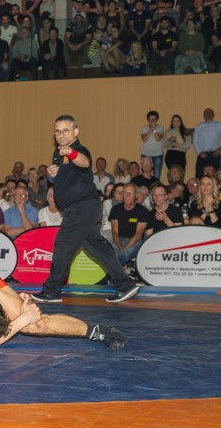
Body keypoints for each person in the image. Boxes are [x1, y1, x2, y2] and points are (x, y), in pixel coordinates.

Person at [33, 115, 141, 303]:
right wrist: (51, 176)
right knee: (99, 248)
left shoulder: (79, 149)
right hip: (81, 209)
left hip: (82, 207)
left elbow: (84, 162)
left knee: (62, 245)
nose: (61, 134)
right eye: (57, 131)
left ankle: (52, 290)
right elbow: (65, 179)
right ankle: (126, 285)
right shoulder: (57, 153)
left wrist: (71, 153)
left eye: (65, 130)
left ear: (75, 131)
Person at [108, 183, 149, 266]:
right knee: (110, 254)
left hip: (135, 242)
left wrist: (124, 249)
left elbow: (138, 234)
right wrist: (120, 247)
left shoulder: (143, 211)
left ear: (136, 195)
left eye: (131, 193)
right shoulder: (116, 209)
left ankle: (116, 276)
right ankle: (119, 274)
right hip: (118, 240)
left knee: (123, 254)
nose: (128, 195)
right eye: (125, 193)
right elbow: (114, 232)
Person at [192, 108, 221, 179]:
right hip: (202, 154)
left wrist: (220, 149)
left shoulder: (218, 125)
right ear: (203, 115)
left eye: (210, 112)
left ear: (213, 115)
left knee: (214, 176)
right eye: (206, 113)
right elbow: (195, 141)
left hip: (214, 154)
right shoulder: (199, 126)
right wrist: (199, 152)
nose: (208, 114)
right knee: (199, 175)